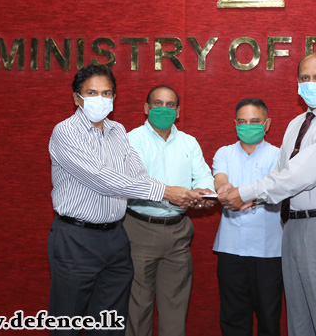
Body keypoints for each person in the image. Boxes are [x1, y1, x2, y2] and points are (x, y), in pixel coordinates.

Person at [218, 52, 316, 336]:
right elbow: (281, 176)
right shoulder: (296, 124)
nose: (311, 83)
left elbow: (300, 175)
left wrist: (246, 192)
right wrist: (253, 196)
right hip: (293, 226)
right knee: (300, 320)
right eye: (304, 78)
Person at [48, 65, 200, 336]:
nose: (100, 99)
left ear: (114, 98)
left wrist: (180, 200)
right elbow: (102, 179)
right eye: (91, 93)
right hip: (76, 238)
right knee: (67, 322)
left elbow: (137, 177)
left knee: (110, 324)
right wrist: (166, 192)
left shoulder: (118, 131)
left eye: (106, 93)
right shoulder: (66, 132)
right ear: (76, 98)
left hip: (117, 239)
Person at [124, 85, 215, 336]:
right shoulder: (131, 140)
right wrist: (169, 192)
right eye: (157, 103)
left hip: (178, 232)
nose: (164, 109)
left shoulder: (189, 142)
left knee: (176, 306)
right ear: (146, 108)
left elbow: (204, 176)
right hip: (139, 229)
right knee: (137, 307)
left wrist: (206, 193)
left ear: (178, 112)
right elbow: (134, 183)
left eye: (170, 105)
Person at [213, 98, 283, 336]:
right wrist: (223, 188)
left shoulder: (279, 155)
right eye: (242, 122)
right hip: (230, 249)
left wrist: (247, 198)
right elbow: (220, 178)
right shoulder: (224, 153)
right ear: (235, 124)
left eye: (255, 121)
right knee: (233, 319)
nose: (248, 126)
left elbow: (277, 190)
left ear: (267, 124)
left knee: (269, 319)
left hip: (268, 251)